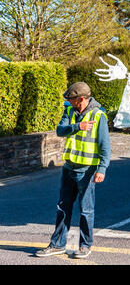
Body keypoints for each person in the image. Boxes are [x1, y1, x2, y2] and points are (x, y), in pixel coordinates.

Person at [35, 82, 110, 259]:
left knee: (86, 210)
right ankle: (57, 244)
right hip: (69, 168)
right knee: (63, 207)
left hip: (87, 171)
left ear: (81, 99)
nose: (68, 102)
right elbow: (60, 131)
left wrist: (102, 169)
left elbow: (105, 146)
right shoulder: (69, 111)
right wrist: (78, 127)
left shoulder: (99, 116)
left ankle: (85, 246)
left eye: (71, 99)